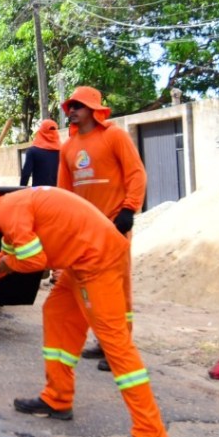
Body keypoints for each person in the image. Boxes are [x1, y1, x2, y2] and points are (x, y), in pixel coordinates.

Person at [0, 183, 171, 437]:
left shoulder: (9, 211)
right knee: (56, 312)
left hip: (98, 260)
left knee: (115, 345)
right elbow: (5, 259)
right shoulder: (9, 208)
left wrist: (8, 264)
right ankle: (57, 398)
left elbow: (33, 261)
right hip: (81, 260)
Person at [57, 86, 146, 372]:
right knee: (89, 288)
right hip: (84, 233)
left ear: (93, 109)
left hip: (113, 227)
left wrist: (129, 209)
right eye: (70, 106)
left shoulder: (114, 136)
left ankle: (119, 348)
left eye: (78, 106)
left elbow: (136, 173)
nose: (72, 111)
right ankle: (103, 340)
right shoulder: (68, 148)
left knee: (117, 289)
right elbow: (64, 191)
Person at [19, 119, 61, 187]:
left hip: (39, 193)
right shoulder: (62, 151)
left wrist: (20, 191)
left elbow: (26, 174)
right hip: (57, 193)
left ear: (41, 131)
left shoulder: (32, 151)